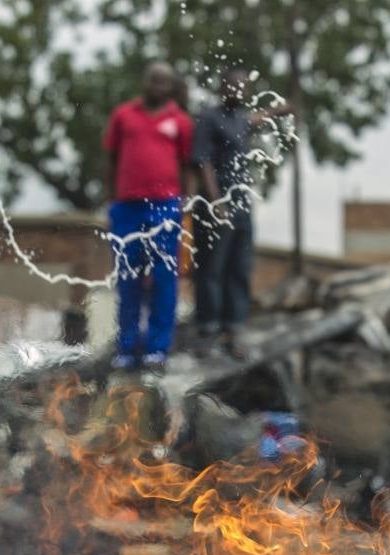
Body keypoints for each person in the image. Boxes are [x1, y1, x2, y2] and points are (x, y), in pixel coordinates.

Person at [191, 68, 291, 357]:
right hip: (216, 204)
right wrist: (216, 202)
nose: (240, 91)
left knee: (240, 265)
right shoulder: (209, 118)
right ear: (223, 88)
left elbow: (258, 118)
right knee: (212, 268)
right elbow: (203, 162)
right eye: (235, 86)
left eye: (245, 87)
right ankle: (207, 329)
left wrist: (283, 108)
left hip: (242, 205)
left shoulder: (240, 120)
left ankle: (233, 329)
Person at [102, 61, 192, 373]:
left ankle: (157, 348)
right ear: (144, 82)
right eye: (151, 80)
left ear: (170, 88)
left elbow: (186, 166)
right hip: (127, 207)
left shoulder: (180, 122)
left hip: (165, 207)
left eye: (163, 82)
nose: (156, 86)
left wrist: (186, 206)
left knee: (165, 279)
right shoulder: (123, 116)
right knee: (128, 277)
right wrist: (109, 202)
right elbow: (111, 159)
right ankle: (126, 347)